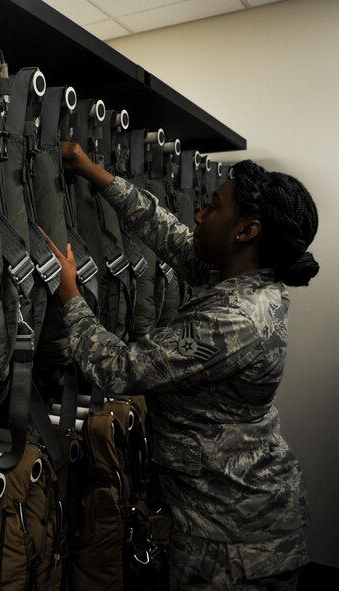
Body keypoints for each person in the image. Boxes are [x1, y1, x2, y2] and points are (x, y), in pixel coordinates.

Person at [51, 141, 319, 590]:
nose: (199, 216)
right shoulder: (245, 275)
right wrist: (95, 173)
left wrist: (70, 298)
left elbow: (119, 369)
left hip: (233, 541)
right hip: (236, 519)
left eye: (213, 207)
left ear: (246, 231)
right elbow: (172, 237)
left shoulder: (233, 320)